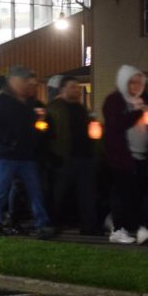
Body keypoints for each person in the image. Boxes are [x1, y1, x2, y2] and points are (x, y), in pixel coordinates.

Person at [0, 65, 55, 239]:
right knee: (5, 190)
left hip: (23, 153)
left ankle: (41, 223)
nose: (27, 84)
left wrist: (37, 130)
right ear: (14, 81)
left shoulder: (26, 102)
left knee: (31, 190)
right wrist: (10, 142)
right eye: (24, 80)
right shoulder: (4, 101)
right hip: (10, 153)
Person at [103, 65, 148, 245]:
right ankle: (118, 229)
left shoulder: (143, 100)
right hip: (122, 156)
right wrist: (138, 113)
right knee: (121, 193)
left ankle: (139, 227)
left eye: (139, 82)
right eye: (131, 82)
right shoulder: (114, 100)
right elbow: (117, 123)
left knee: (138, 193)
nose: (135, 85)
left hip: (142, 155)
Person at [45, 76, 99, 235]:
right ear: (62, 89)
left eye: (77, 87)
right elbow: (51, 134)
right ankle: (54, 222)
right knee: (59, 192)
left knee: (86, 193)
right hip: (65, 156)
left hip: (84, 156)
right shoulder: (55, 108)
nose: (75, 90)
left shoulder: (81, 108)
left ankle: (89, 225)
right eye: (72, 87)